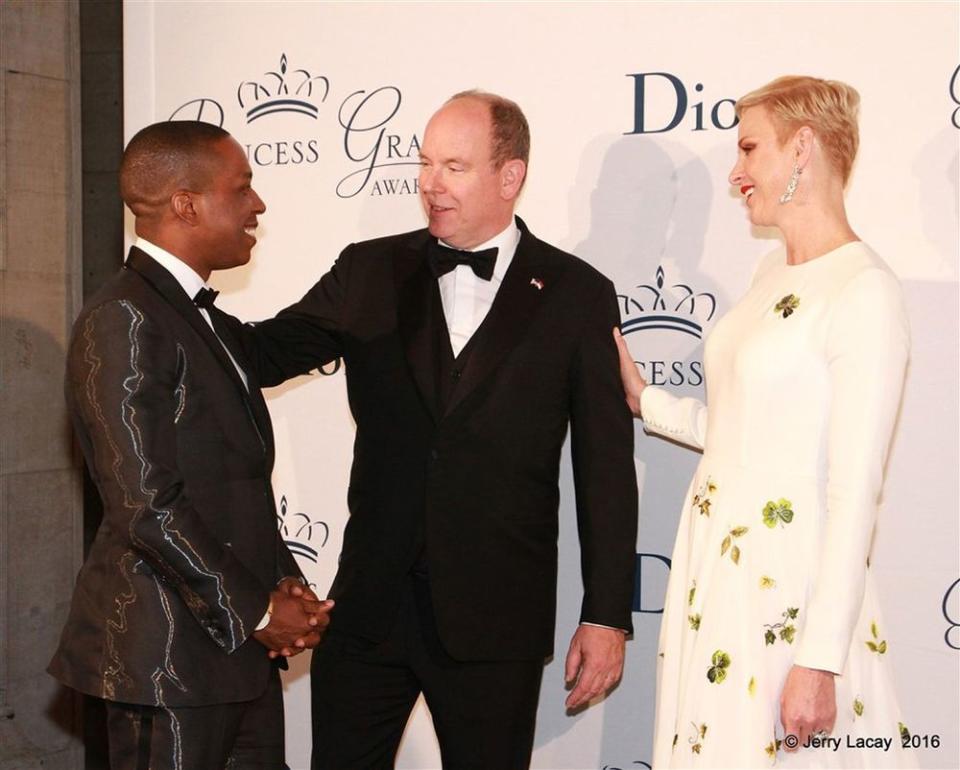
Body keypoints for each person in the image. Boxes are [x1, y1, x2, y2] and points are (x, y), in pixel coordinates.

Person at [235, 90, 638, 769]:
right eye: (425, 163)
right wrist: (172, 297)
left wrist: (606, 614)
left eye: (453, 165)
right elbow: (264, 353)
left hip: (495, 617)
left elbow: (604, 468)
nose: (428, 183)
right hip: (368, 606)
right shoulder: (369, 268)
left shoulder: (577, 293)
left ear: (509, 177)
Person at [615, 76, 915, 768]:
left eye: (750, 148)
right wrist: (645, 399)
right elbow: (745, 430)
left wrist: (819, 660)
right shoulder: (767, 271)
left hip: (790, 595)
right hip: (721, 578)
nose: (736, 171)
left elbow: (853, 490)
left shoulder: (864, 291)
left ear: (803, 146)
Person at [48, 121, 332, 770]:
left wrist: (285, 586)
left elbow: (231, 486)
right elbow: (146, 503)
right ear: (186, 203)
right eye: (243, 188)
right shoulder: (124, 317)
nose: (257, 205)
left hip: (236, 655)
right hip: (165, 663)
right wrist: (261, 609)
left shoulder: (212, 323)